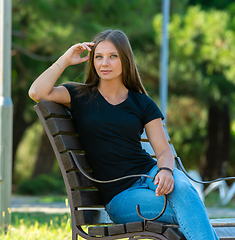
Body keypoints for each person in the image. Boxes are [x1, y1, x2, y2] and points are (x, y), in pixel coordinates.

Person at [28, 29, 219, 240]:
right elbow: (37, 92)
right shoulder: (79, 96)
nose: (104, 63)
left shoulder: (142, 102)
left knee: (184, 191)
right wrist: (64, 60)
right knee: (190, 208)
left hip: (152, 174)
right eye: (98, 57)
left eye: (113, 56)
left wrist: (164, 170)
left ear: (124, 60)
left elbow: (163, 150)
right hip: (121, 196)